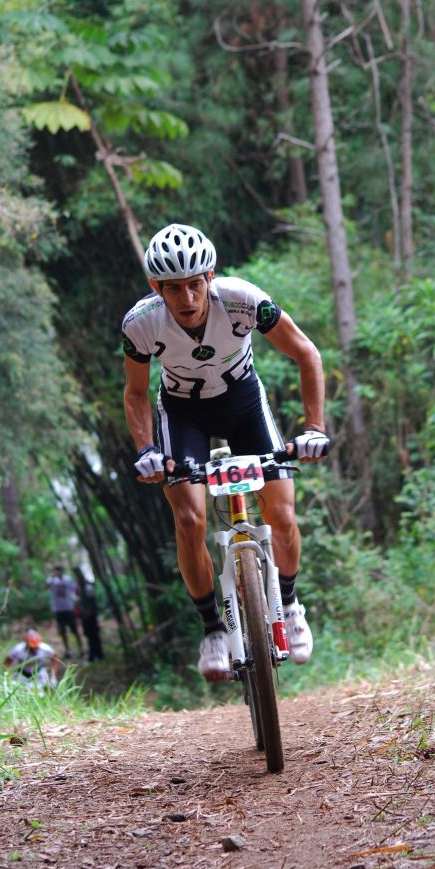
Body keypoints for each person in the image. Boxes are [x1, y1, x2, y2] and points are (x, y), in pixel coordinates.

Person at [122, 223, 329, 680]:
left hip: (243, 405)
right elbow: (135, 394)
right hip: (183, 414)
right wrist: (146, 450)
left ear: (210, 277)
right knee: (190, 519)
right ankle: (213, 628)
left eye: (195, 284)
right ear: (157, 288)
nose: (187, 298)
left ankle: (291, 604)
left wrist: (314, 428)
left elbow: (306, 353)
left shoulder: (244, 300)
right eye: (173, 288)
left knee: (282, 511)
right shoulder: (141, 324)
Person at [46, 565, 84, 660]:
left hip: (68, 608)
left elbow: (75, 590)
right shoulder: (51, 580)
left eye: (59, 570)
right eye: (55, 571)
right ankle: (67, 651)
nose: (57, 572)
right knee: (62, 631)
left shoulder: (68, 579)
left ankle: (81, 649)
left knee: (74, 630)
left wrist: (77, 601)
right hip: (58, 610)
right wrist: (52, 578)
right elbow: (46, 587)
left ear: (62, 571)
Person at [74, 566, 104, 662]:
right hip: (85, 616)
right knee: (89, 635)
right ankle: (94, 655)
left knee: (94, 635)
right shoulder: (80, 588)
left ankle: (97, 655)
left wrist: (89, 612)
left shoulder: (87, 586)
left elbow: (91, 601)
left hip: (90, 616)